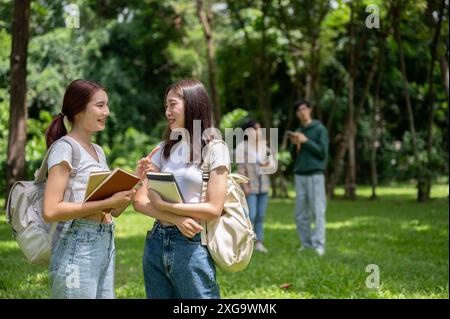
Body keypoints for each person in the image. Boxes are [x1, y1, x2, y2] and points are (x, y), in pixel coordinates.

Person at [133, 79, 230, 299]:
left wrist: (164, 205)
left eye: (172, 104)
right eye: (166, 106)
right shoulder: (162, 149)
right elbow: (139, 201)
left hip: (192, 244)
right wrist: (176, 218)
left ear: (193, 104)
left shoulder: (215, 149)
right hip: (156, 243)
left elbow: (214, 208)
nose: (167, 111)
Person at [43, 79, 135, 298]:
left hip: (105, 240)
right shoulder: (64, 149)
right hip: (77, 244)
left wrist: (130, 190)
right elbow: (51, 211)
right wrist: (106, 203)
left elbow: (111, 211)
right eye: (100, 105)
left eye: (107, 105)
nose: (107, 112)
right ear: (78, 109)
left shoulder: (98, 151)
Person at [288, 100, 329, 256]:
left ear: (310, 110)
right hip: (300, 175)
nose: (302, 112)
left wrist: (306, 142)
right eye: (298, 110)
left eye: (304, 109)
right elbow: (293, 157)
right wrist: (294, 144)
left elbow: (323, 153)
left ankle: (319, 245)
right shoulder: (298, 130)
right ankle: (306, 244)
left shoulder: (319, 129)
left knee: (317, 211)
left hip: (315, 175)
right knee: (300, 213)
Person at [236, 119, 276, 254]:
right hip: (250, 187)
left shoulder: (265, 147)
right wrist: (244, 186)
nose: (258, 132)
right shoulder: (243, 147)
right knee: (250, 215)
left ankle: (259, 242)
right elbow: (241, 169)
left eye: (259, 129)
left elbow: (272, 166)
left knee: (260, 216)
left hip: (263, 187)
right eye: (255, 129)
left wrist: (267, 165)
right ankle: (244, 243)